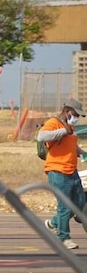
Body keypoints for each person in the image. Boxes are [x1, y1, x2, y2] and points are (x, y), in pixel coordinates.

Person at [38, 99, 87, 250]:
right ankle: (64, 238)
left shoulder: (70, 127)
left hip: (72, 171)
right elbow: (41, 137)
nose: (76, 117)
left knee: (79, 203)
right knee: (65, 206)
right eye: (75, 114)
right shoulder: (54, 123)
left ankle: (54, 223)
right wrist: (64, 131)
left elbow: (71, 145)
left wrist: (82, 153)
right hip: (57, 171)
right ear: (67, 111)